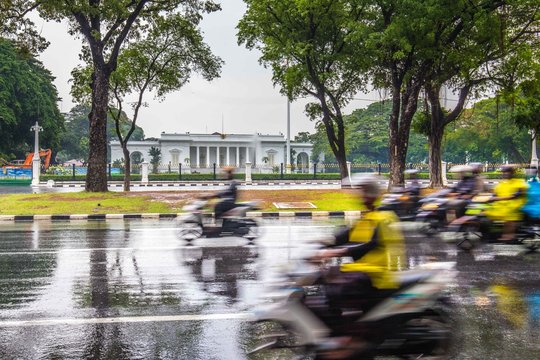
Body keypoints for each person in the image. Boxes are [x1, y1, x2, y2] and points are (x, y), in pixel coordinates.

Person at [314, 174, 406, 305]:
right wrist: (321, 241)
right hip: (365, 271)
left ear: (373, 194)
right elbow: (345, 235)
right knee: (325, 277)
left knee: (337, 291)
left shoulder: (385, 217)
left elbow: (370, 244)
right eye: (361, 191)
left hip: (379, 276)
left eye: (365, 191)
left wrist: (337, 252)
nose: (361, 196)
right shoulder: (368, 217)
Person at [484, 165, 528, 241]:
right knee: (487, 212)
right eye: (504, 172)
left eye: (507, 172)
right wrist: (491, 198)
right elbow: (495, 194)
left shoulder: (519, 182)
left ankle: (509, 235)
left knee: (509, 214)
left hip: (515, 204)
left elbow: (515, 196)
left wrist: (496, 198)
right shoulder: (501, 184)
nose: (505, 173)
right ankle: (494, 234)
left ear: (512, 173)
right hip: (501, 204)